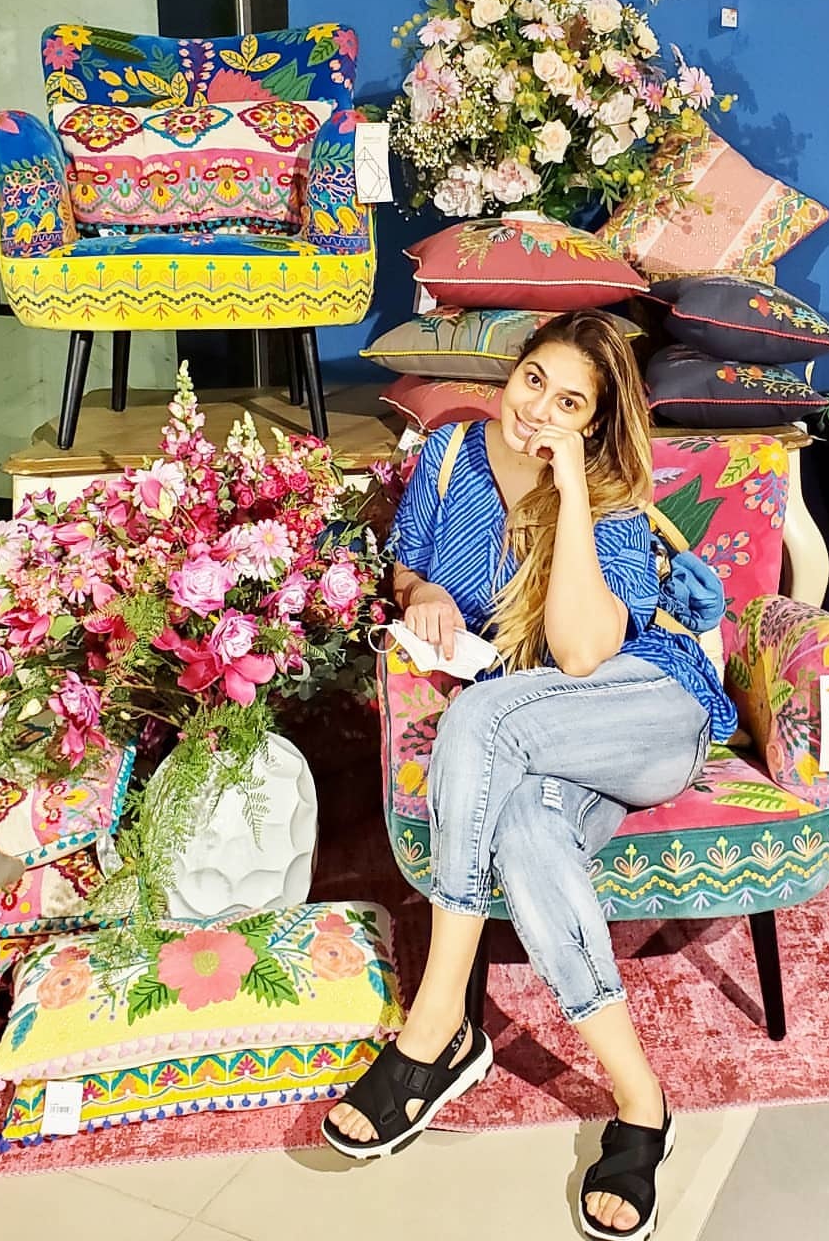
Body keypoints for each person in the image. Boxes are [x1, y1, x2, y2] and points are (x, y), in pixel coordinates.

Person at [322, 310, 737, 1241]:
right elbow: (405, 568)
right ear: (510, 375)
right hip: (538, 735)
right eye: (534, 380)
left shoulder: (612, 499)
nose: (540, 408)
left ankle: (435, 1025)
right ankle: (642, 1104)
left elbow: (584, 653)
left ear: (594, 422)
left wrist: (573, 488)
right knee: (527, 834)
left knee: (481, 716)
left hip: (644, 711)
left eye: (571, 402)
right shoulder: (448, 455)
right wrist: (424, 592)